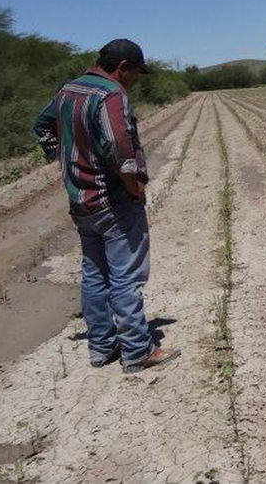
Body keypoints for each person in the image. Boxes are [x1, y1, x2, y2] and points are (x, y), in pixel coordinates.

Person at [34, 38, 179, 373]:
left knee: (94, 273)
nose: (136, 80)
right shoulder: (111, 95)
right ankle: (137, 351)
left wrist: (66, 159)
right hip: (113, 199)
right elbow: (120, 149)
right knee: (126, 275)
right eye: (136, 74)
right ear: (123, 68)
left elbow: (41, 126)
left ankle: (101, 348)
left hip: (80, 199)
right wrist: (135, 188)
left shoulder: (69, 90)